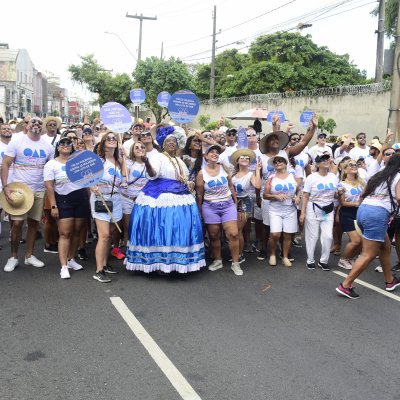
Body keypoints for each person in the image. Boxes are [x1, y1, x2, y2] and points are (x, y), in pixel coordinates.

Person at [126, 127, 205, 274]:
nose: (171, 143)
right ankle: (159, 262)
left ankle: (176, 261)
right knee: (163, 227)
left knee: (177, 228)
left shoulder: (179, 160)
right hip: (159, 196)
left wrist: (190, 183)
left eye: (174, 141)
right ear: (163, 144)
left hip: (180, 195)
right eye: (168, 141)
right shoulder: (158, 157)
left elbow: (185, 178)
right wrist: (147, 163)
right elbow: (153, 174)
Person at [336, 154, 400, 299]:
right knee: (368, 254)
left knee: (385, 246)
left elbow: (363, 195)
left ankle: (390, 281)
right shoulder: (397, 177)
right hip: (376, 214)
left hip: (363, 210)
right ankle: (346, 285)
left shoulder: (378, 176)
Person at [2, 117, 55, 271]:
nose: (36, 124)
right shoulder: (17, 142)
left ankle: (29, 256)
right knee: (17, 224)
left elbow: (49, 169)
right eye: (33, 122)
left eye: (39, 122)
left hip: (38, 190)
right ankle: (13, 257)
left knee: (33, 224)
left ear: (43, 127)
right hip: (19, 190)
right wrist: (6, 187)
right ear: (28, 125)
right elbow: (5, 164)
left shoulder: (48, 147)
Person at [44, 137, 90, 279]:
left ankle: (71, 259)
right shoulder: (51, 164)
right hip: (63, 199)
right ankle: (63, 266)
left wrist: (89, 199)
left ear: (72, 147)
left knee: (77, 231)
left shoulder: (78, 161)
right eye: (62, 143)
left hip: (81, 198)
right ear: (57, 147)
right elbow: (49, 186)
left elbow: (88, 179)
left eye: (68, 143)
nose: (65, 145)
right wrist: (53, 205)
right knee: (65, 233)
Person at [196, 145, 242, 275]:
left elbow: (231, 186)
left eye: (217, 152)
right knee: (214, 235)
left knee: (233, 233)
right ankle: (217, 260)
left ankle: (235, 263)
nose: (215, 154)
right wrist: (200, 210)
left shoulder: (224, 168)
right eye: (212, 152)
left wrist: (235, 202)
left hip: (227, 205)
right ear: (206, 156)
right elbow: (200, 194)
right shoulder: (201, 173)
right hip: (210, 207)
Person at [91, 132, 124, 283]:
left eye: (114, 138)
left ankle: (105, 263)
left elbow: (125, 178)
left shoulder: (119, 160)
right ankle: (99, 270)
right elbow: (86, 177)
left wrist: (124, 162)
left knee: (109, 235)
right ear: (103, 142)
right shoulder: (98, 160)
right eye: (109, 138)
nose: (112, 140)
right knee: (104, 236)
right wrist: (92, 187)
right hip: (100, 199)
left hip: (116, 199)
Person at [300, 153, 339, 271]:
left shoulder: (334, 177)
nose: (326, 161)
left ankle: (323, 261)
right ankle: (310, 260)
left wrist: (340, 193)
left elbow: (336, 193)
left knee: (328, 236)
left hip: (328, 209)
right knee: (313, 236)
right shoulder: (311, 177)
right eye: (322, 160)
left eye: (327, 159)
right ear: (317, 164)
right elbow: (305, 196)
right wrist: (302, 213)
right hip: (313, 208)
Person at [263, 156, 300, 267]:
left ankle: (284, 256)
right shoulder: (271, 178)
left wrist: (298, 197)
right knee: (275, 234)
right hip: (275, 210)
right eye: (275, 162)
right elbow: (265, 195)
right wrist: (275, 196)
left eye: (280, 161)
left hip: (290, 209)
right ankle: (272, 254)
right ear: (273, 165)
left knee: (288, 235)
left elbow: (298, 189)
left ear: (285, 163)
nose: (278, 163)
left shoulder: (292, 176)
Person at [121, 141, 155, 249]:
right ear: (132, 150)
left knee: (143, 225)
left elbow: (153, 176)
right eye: (137, 148)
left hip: (142, 200)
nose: (140, 149)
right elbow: (123, 178)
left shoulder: (150, 163)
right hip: (127, 199)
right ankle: (128, 250)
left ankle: (142, 249)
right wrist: (124, 183)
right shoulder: (128, 163)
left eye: (142, 147)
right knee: (128, 226)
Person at [230, 148, 261, 262]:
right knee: (234, 230)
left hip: (244, 203)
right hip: (232, 203)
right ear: (237, 161)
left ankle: (239, 254)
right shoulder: (233, 174)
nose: (244, 159)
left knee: (238, 230)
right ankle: (236, 253)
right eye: (242, 157)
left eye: (247, 158)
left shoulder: (250, 174)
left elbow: (257, 185)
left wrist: (258, 170)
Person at [337, 159, 366, 270]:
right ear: (345, 169)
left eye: (355, 165)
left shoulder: (362, 182)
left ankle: (352, 258)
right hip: (347, 213)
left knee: (364, 241)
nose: (354, 166)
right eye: (351, 165)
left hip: (360, 212)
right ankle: (343, 260)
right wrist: (357, 203)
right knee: (356, 240)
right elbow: (342, 203)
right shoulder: (341, 184)